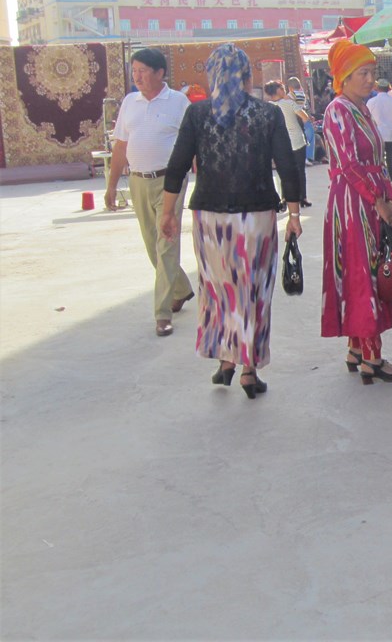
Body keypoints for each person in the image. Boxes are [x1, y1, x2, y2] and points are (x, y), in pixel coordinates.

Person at [159, 43, 302, 398]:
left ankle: (225, 360)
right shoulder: (267, 115)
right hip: (257, 217)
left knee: (218, 289)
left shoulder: (198, 114)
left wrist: (167, 212)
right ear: (247, 76)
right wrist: (295, 214)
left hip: (210, 219)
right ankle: (249, 371)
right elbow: (288, 167)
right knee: (253, 290)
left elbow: (177, 165)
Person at [320, 40, 392, 384]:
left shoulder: (362, 108)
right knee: (365, 274)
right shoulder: (337, 110)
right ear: (344, 76)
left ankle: (357, 349)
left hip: (366, 200)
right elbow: (350, 165)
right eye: (363, 73)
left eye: (372, 72)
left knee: (363, 271)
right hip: (354, 204)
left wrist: (387, 195)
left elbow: (375, 163)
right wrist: (378, 200)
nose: (371, 79)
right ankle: (372, 357)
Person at [104, 48, 194, 338]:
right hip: (138, 182)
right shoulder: (130, 102)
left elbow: (193, 144)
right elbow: (120, 146)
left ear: (159, 73)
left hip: (171, 181)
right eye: (134, 70)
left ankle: (162, 313)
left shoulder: (179, 102)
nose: (137, 76)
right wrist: (110, 185)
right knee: (152, 246)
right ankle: (181, 288)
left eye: (143, 70)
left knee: (166, 242)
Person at [265, 80, 312, 207]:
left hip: (280, 143)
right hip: (297, 140)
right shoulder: (289, 103)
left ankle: (284, 198)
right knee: (300, 171)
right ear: (278, 90)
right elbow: (305, 117)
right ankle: (303, 198)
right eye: (282, 87)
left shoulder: (269, 107)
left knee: (283, 172)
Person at [366, 79, 392, 181]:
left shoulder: (371, 102)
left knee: (379, 157)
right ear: (388, 88)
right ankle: (391, 175)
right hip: (391, 134)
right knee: (390, 156)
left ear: (377, 88)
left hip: (377, 134)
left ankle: (381, 176)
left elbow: (367, 120)